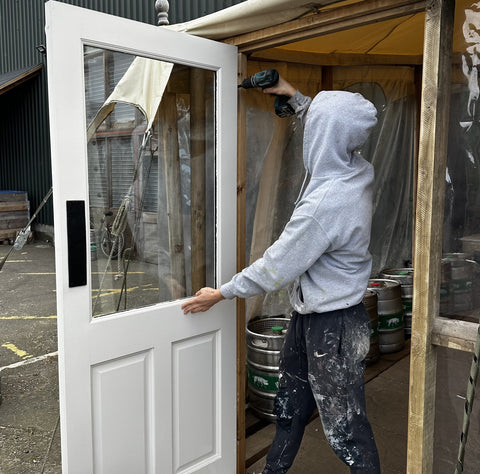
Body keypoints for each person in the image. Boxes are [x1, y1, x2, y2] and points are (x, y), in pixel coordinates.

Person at [181, 76, 381, 474]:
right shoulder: (355, 166)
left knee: (346, 431)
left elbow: (275, 267)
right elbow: (331, 124)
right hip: (315, 318)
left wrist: (220, 294)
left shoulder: (326, 204)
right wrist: (294, 96)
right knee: (290, 404)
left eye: (314, 123)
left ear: (324, 136)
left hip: (334, 327)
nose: (309, 129)